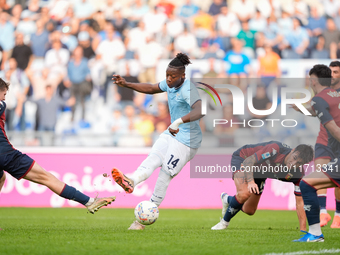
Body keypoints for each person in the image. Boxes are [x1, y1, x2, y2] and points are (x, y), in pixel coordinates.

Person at [111, 53, 203, 230]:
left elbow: (200, 110)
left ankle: (141, 221)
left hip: (187, 141)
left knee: (165, 174)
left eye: (172, 76)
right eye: (167, 75)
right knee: (153, 157)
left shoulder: (188, 89)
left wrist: (177, 121)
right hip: (173, 133)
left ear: (183, 76)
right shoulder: (171, 83)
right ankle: (132, 180)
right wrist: (126, 84)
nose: (168, 79)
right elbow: (152, 87)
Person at [0, 78, 115, 215]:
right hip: (5, 154)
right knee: (47, 177)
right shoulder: (1, 104)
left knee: (1, 178)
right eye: (4, 94)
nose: (5, 98)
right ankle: (89, 202)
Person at [211, 141, 314, 231]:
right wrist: (251, 182)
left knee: (249, 210)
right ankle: (224, 223)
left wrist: (303, 231)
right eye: (294, 158)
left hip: (261, 172)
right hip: (244, 159)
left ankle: (227, 199)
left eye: (299, 163)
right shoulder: (275, 149)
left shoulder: (298, 174)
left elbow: (300, 203)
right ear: (293, 150)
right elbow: (249, 161)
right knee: (244, 194)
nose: (293, 164)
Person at [294, 64, 340, 242]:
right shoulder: (334, 95)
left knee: (306, 184)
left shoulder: (319, 99)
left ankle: (315, 234)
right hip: (332, 151)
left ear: (313, 81)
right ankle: (324, 215)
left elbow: (335, 130)